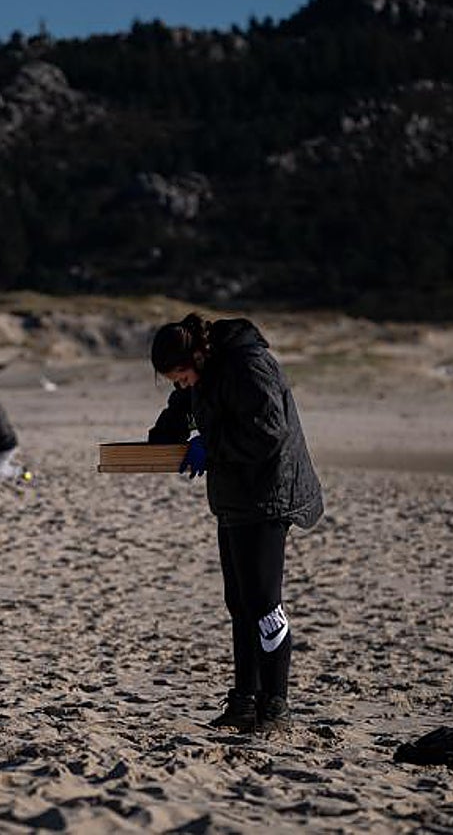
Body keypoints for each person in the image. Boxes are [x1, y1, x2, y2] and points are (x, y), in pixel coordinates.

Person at [147, 313, 323, 734]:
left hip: (269, 494)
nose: (181, 384)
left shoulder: (248, 364)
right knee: (239, 603)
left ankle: (275, 704)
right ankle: (244, 700)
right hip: (234, 496)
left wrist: (212, 446)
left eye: (180, 375)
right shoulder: (203, 372)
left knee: (263, 602)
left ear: (197, 356)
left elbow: (269, 431)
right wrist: (163, 438)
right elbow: (184, 407)